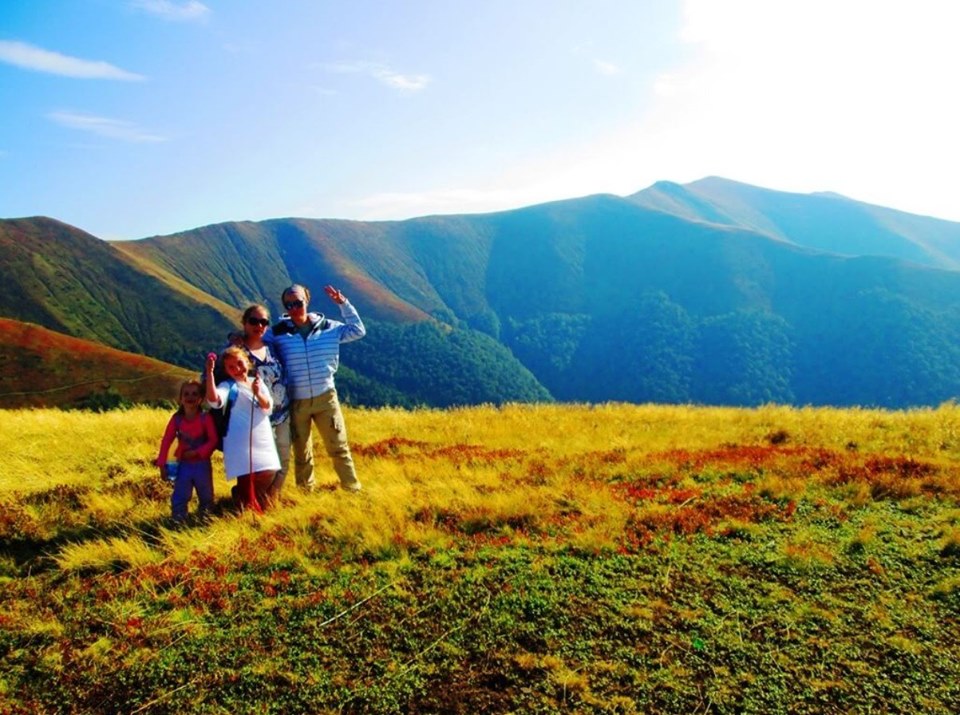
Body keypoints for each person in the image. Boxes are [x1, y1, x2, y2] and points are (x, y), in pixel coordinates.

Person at [264, 283, 365, 492]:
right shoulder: (277, 334)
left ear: (307, 301)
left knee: (338, 447)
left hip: (325, 398)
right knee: (302, 452)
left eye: (298, 303)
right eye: (289, 305)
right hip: (296, 401)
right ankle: (305, 493)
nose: (294, 308)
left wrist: (343, 304)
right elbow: (255, 342)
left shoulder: (329, 327)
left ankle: (352, 489)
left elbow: (358, 330)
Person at [204, 346, 280, 513]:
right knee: (247, 477)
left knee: (269, 471)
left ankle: (242, 500)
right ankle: (245, 509)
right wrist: (209, 373)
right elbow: (215, 400)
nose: (237, 369)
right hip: (239, 442)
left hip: (262, 440)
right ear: (226, 370)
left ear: (248, 362)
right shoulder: (228, 386)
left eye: (240, 363)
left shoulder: (257, 383)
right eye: (231, 367)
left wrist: (257, 393)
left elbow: (267, 407)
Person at [237, 304, 291, 500]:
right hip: (255, 418)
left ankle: (270, 501)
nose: (258, 325)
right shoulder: (237, 350)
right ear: (244, 322)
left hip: (282, 413)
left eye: (263, 322)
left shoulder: (273, 348)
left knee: (283, 461)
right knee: (259, 463)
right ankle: (248, 500)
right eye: (254, 321)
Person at [155, 380, 218, 523]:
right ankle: (178, 520)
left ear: (201, 398)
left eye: (195, 394)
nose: (190, 397)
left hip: (202, 464)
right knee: (180, 494)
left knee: (206, 493)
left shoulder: (205, 418)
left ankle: (206, 520)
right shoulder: (177, 420)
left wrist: (198, 453)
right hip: (183, 464)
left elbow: (213, 440)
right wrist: (162, 464)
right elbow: (167, 441)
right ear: (181, 398)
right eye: (186, 394)